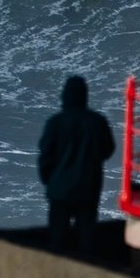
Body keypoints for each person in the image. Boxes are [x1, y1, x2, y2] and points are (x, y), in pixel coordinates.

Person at [37, 75, 116, 257]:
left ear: (65, 95)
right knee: (87, 241)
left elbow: (45, 157)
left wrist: (50, 181)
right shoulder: (97, 121)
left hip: (59, 191)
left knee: (58, 241)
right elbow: (108, 150)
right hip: (88, 189)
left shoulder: (55, 123)